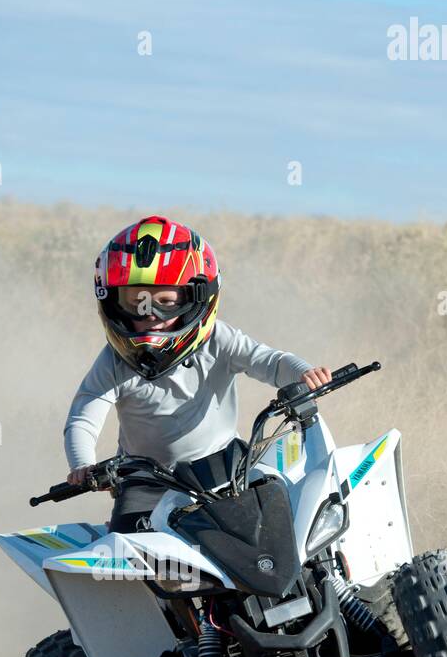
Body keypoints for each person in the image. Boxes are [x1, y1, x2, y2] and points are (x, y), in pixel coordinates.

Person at [64, 215, 331, 532]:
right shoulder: (113, 360)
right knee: (130, 550)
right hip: (143, 481)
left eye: (165, 301)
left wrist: (303, 375)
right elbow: (84, 417)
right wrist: (83, 465)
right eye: (136, 302)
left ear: (196, 299)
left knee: (276, 527)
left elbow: (271, 362)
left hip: (227, 468)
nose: (151, 314)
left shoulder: (219, 339)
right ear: (112, 303)